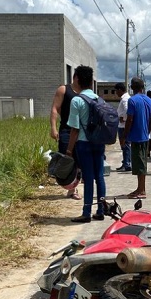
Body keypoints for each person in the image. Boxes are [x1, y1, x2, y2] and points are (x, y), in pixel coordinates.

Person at [65, 65, 106, 223]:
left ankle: (86, 212)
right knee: (100, 177)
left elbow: (74, 129)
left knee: (88, 179)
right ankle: (101, 210)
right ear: (90, 81)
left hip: (84, 144)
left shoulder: (77, 100)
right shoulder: (99, 99)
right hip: (98, 143)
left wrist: (69, 150)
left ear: (76, 79)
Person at [49, 79, 81, 199]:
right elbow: (55, 108)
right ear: (76, 77)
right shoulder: (63, 90)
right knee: (67, 159)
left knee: (79, 159)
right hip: (66, 130)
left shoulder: (84, 91)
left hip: (81, 131)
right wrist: (53, 128)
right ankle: (72, 190)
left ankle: (75, 183)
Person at [123, 77, 151, 199]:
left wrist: (125, 135)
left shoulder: (132, 100)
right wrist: (147, 131)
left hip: (136, 136)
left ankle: (141, 191)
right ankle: (140, 188)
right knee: (141, 163)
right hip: (144, 135)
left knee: (140, 164)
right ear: (143, 87)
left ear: (131, 87)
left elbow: (129, 119)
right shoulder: (149, 100)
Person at [114, 82, 131, 172]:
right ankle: (125, 162)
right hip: (123, 125)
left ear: (120, 90)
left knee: (125, 145)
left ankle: (127, 163)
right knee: (125, 145)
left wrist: (123, 118)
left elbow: (128, 110)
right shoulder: (125, 98)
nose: (116, 93)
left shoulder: (125, 99)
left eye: (116, 91)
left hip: (123, 126)